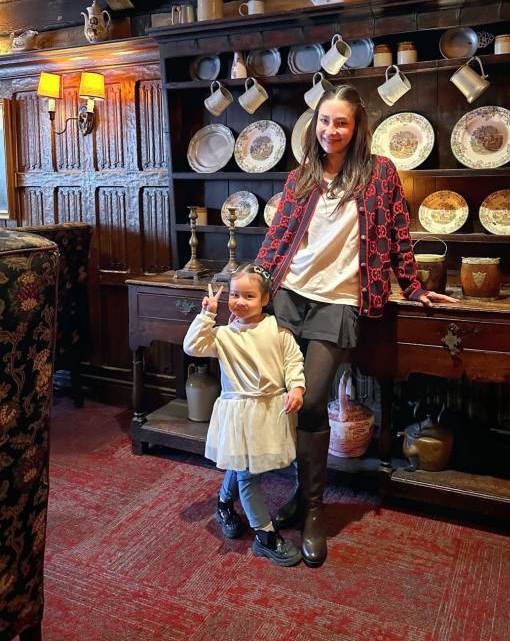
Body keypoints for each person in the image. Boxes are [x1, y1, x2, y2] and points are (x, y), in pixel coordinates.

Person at [256, 84, 458, 567]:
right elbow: (277, 237)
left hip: (340, 301)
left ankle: (313, 511)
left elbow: (398, 233)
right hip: (289, 295)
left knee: (312, 401)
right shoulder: (300, 175)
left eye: (341, 122)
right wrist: (253, 287)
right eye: (324, 121)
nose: (331, 130)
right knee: (283, 400)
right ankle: (299, 495)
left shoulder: (380, 173)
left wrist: (414, 286)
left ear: (356, 126)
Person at [182, 264, 306, 567]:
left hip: (269, 411)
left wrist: (296, 387)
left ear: (264, 299)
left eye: (248, 296)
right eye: (235, 295)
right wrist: (207, 314)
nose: (239, 301)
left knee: (242, 463)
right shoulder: (223, 335)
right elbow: (192, 346)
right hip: (240, 413)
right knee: (248, 475)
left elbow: (293, 361)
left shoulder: (277, 331)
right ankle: (265, 535)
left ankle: (224, 503)